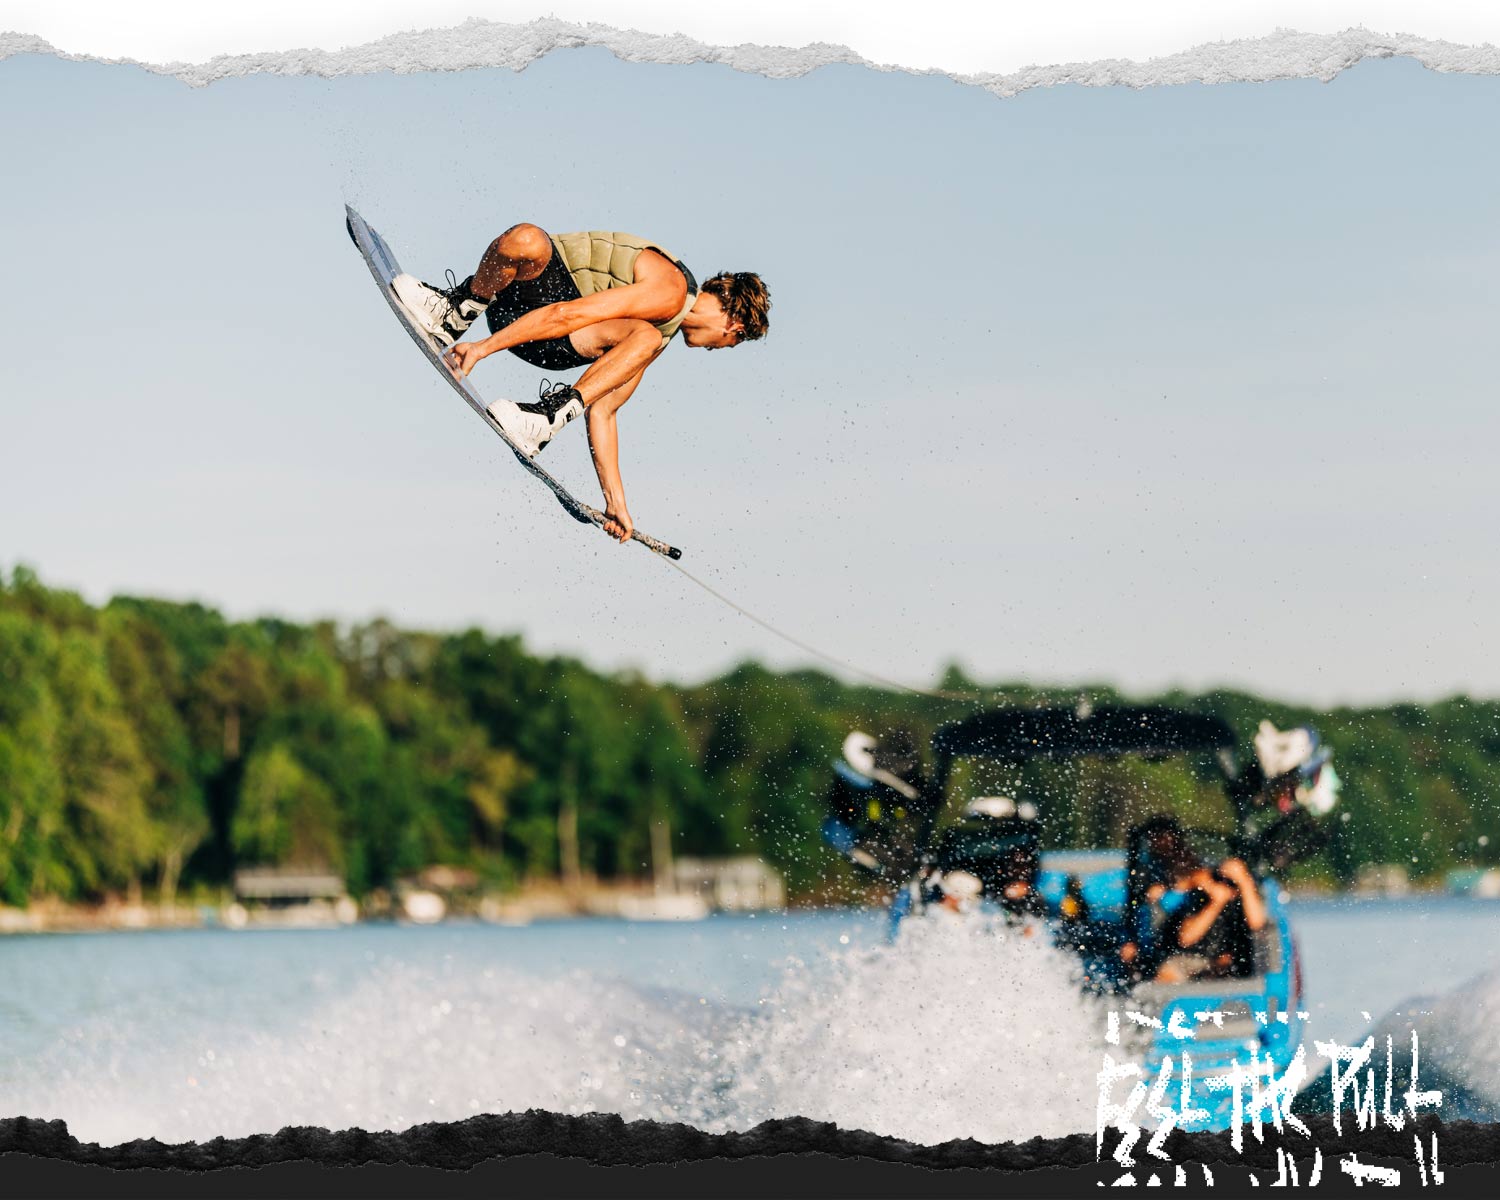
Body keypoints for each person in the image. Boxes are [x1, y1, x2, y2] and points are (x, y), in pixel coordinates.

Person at [389, 224, 771, 544]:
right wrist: (484, 348)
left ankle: (543, 420)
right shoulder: (668, 294)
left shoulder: (652, 334)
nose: (719, 349)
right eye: (732, 343)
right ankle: (455, 313)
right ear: (734, 327)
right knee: (526, 239)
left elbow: (603, 409)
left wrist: (616, 501)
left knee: (644, 338)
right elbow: (567, 312)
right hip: (525, 307)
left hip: (546, 334)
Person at [1119, 817, 1268, 984]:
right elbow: (1185, 937)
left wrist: (1243, 880)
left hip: (1230, 960)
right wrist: (1215, 901)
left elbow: (1257, 923)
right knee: (1166, 972)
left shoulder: (1238, 887)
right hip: (1186, 954)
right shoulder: (1194, 892)